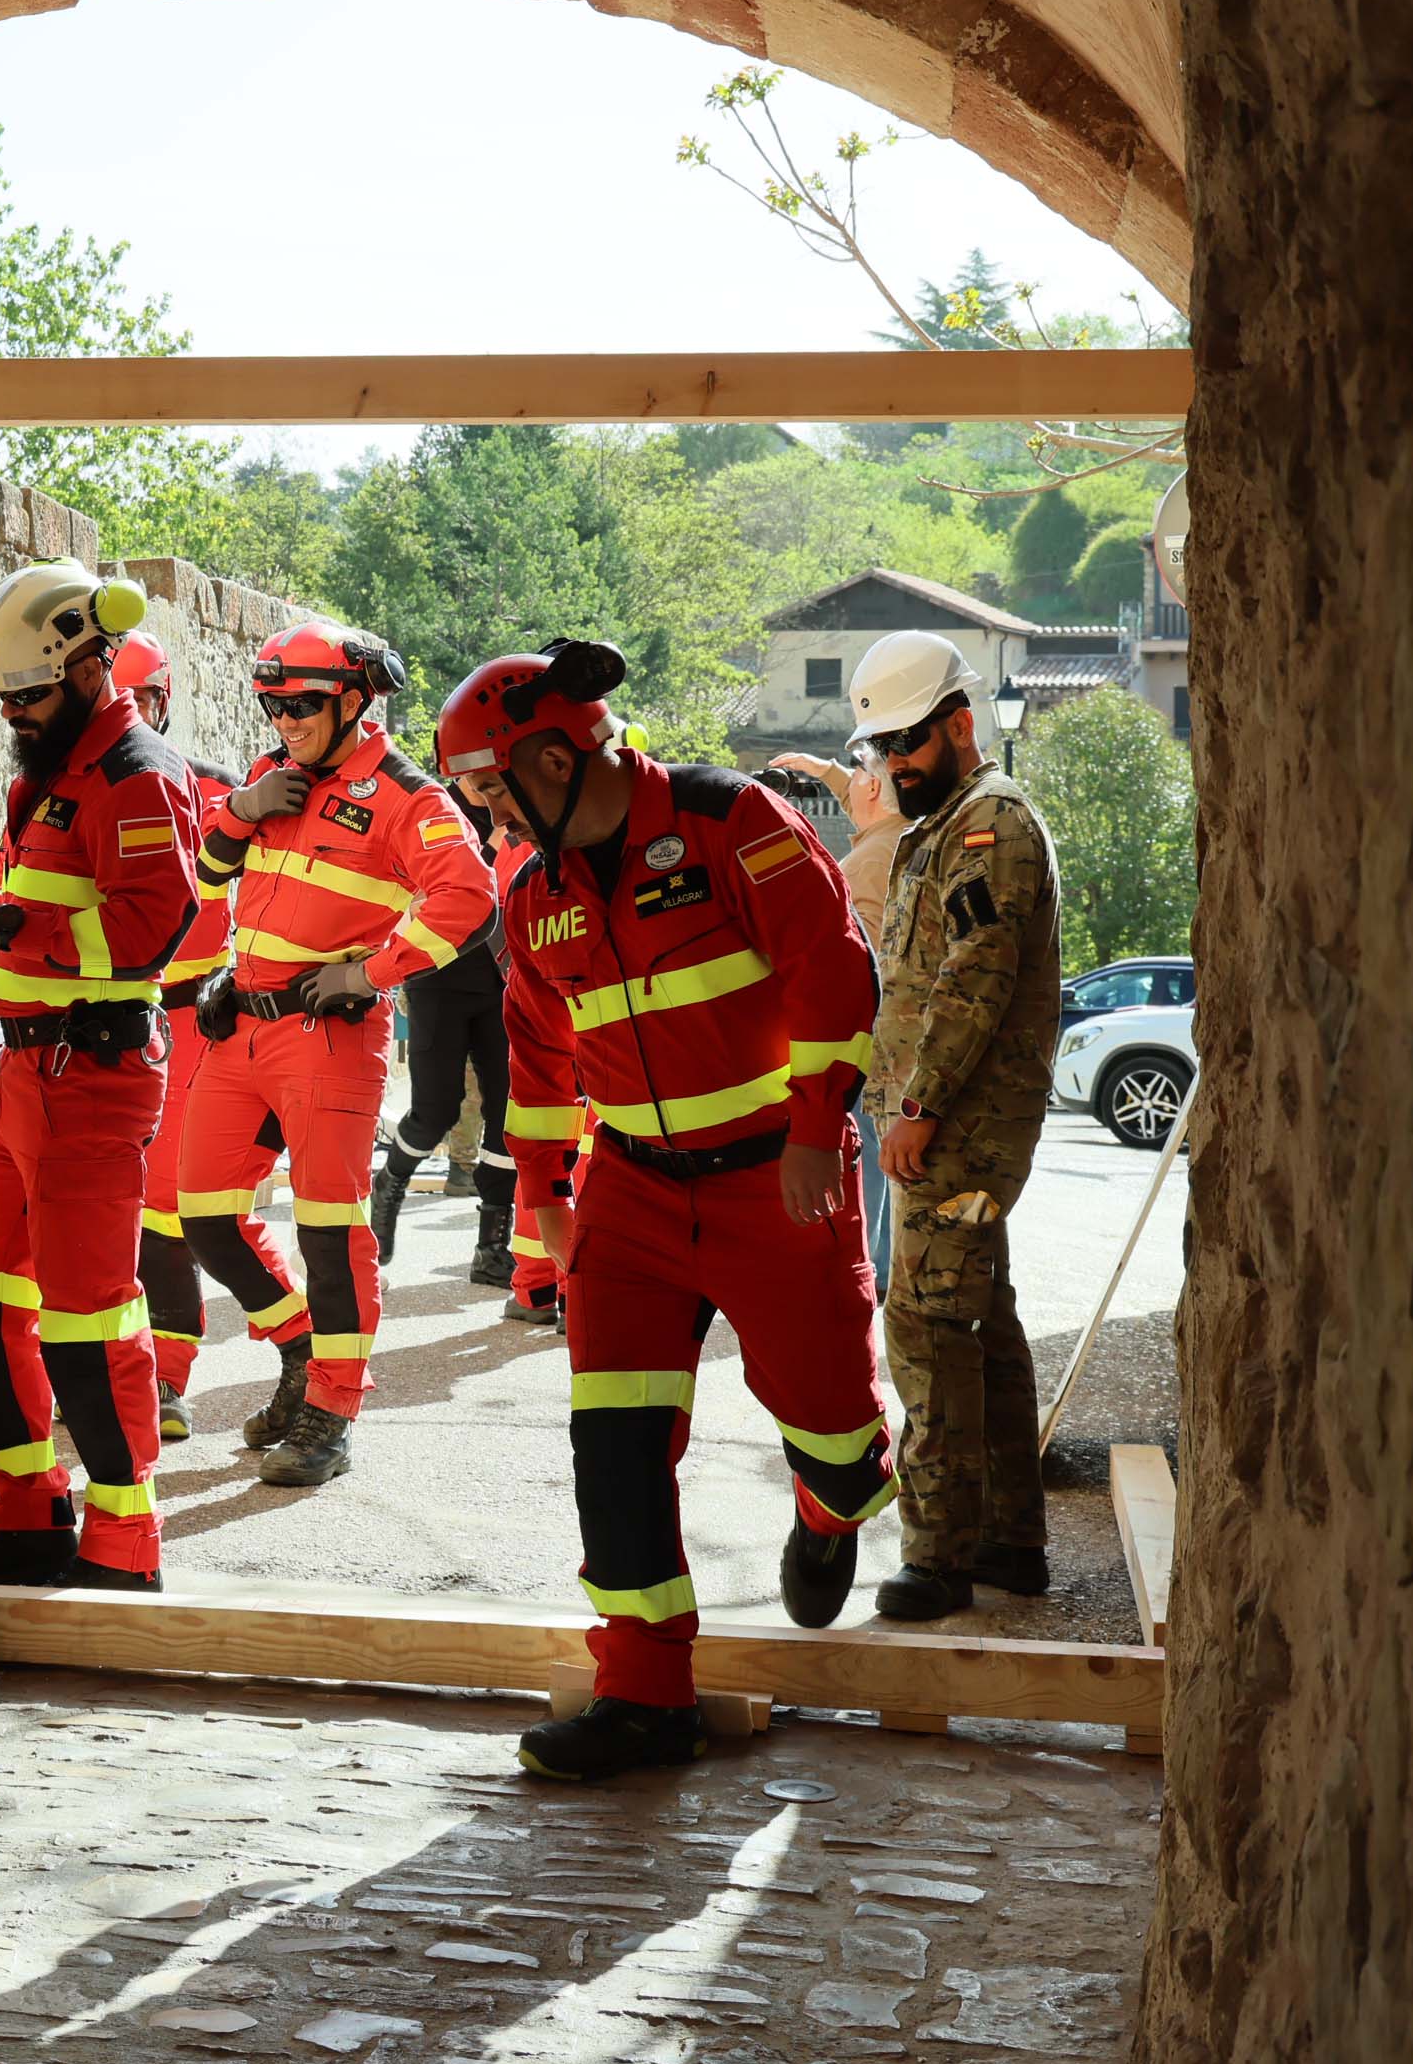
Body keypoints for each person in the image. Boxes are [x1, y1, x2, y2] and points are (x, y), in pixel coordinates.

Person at [441, 639, 894, 1782]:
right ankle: (644, 1695)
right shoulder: (532, 897)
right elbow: (537, 1055)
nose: (488, 814)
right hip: (632, 1195)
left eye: (492, 789)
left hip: (775, 1179)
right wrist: (543, 1196)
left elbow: (833, 967)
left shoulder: (729, 821)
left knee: (840, 1440)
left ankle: (831, 1506)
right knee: (616, 1441)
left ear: (553, 759)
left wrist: (814, 1131)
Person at [0, 562, 202, 1586]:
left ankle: (124, 1540)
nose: (12, 712)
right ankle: (31, 1511)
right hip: (30, 1072)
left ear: (85, 665)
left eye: (27, 693)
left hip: (91, 1073)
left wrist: (2, 925)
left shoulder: (135, 774)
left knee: (87, 1321)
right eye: (4, 696)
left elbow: (151, 929)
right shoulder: (59, 769)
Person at [174, 623, 497, 1489]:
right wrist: (242, 810)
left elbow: (471, 897)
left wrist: (370, 971)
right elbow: (208, 876)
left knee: (328, 1230)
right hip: (242, 1027)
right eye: (273, 705)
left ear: (353, 701)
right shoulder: (271, 773)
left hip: (330, 1037)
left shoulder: (408, 797)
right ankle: (298, 1349)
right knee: (202, 1214)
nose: (287, 720)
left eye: (304, 705)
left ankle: (333, 1409)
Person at [841, 631, 1063, 1623]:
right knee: (983, 1324)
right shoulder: (947, 823)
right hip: (946, 1120)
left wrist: (919, 1106)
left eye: (907, 743)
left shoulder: (989, 825)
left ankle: (938, 1556)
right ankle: (1012, 1539)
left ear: (960, 725)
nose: (893, 764)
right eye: (881, 747)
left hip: (959, 1123)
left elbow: (975, 980)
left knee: (926, 1328)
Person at [119, 632, 263, 1446]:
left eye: (140, 699)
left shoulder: (218, 790)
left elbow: (270, 891)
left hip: (188, 1021)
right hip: (99, 1018)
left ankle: (166, 1376)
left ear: (163, 700)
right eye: (117, 697)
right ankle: (106, 1365)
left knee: (169, 1203)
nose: (127, 713)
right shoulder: (61, 789)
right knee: (100, 1201)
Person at [767, 749, 910, 1288]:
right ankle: (880, 1265)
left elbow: (862, 954)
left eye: (858, 777)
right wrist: (824, 770)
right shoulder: (891, 835)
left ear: (873, 790)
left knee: (864, 1149)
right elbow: (868, 797)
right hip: (883, 1030)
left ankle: (864, 1269)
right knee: (876, 1147)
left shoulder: (874, 857)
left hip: (866, 1030)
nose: (849, 786)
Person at [380, 780, 510, 1276]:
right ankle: (387, 1188)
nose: (483, 777)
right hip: (438, 978)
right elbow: (450, 892)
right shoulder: (433, 809)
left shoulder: (515, 807)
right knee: (435, 1112)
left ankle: (491, 1247)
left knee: (507, 1115)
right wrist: (492, 843)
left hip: (501, 981)